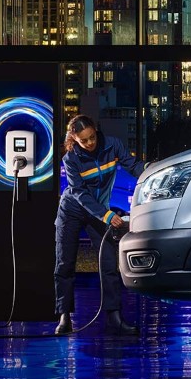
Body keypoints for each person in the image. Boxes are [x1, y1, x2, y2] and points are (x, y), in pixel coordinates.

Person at [54, 114, 146, 336]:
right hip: (73, 211)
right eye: (83, 140)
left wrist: (153, 170)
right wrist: (105, 215)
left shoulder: (112, 145)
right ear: (74, 139)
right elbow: (79, 193)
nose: (89, 143)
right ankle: (64, 317)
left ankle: (114, 317)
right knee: (65, 263)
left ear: (96, 130)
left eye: (92, 137)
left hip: (99, 212)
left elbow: (132, 165)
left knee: (108, 263)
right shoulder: (71, 159)